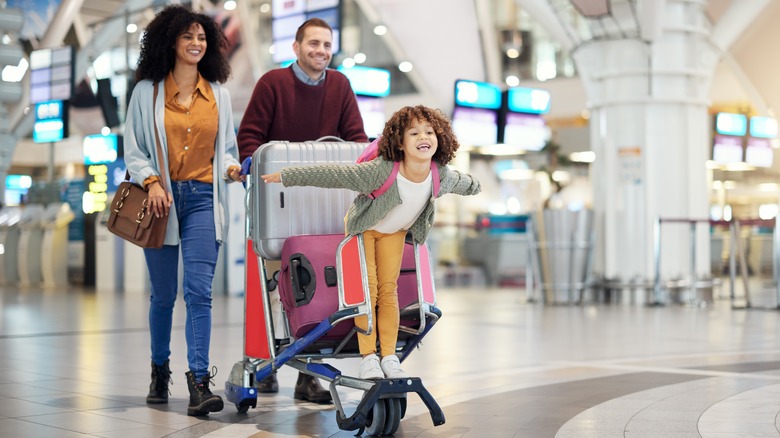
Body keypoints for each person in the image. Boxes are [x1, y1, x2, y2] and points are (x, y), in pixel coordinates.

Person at [261, 105, 481, 380]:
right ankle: (368, 359)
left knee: (389, 291)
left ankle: (388, 355)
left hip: (394, 232)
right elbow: (334, 175)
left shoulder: (440, 175)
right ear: (400, 142)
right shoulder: (381, 170)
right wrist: (288, 176)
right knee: (367, 291)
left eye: (429, 132)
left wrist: (476, 186)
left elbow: (464, 182)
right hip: (365, 230)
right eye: (414, 133)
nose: (424, 137)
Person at [237, 17, 367, 403]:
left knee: (313, 289)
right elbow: (249, 138)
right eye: (313, 44)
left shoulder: (340, 85)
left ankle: (304, 373)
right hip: (278, 203)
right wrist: (248, 162)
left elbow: (356, 139)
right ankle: (262, 360)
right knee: (275, 289)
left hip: (323, 203)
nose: (321, 52)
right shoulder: (272, 84)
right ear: (296, 48)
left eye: (327, 45)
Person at [123, 5, 243, 417]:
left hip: (204, 201)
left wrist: (231, 167)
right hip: (160, 201)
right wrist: (151, 182)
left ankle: (198, 383)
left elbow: (227, 147)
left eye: (202, 37)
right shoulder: (147, 92)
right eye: (188, 36)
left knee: (199, 293)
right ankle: (160, 370)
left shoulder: (219, 95)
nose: (196, 43)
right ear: (170, 41)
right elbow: (134, 149)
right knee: (163, 296)